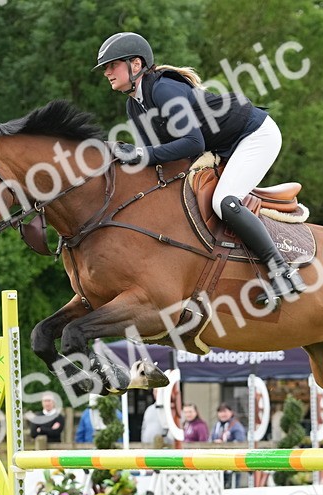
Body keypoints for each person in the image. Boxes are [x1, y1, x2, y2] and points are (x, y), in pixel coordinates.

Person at [96, 32, 307, 306]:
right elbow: (154, 159)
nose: (107, 73)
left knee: (224, 202)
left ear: (135, 65)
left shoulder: (163, 90)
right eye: (105, 68)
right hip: (225, 144)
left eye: (112, 65)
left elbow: (193, 143)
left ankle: (283, 272)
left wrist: (137, 153)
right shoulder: (134, 106)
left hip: (255, 134)